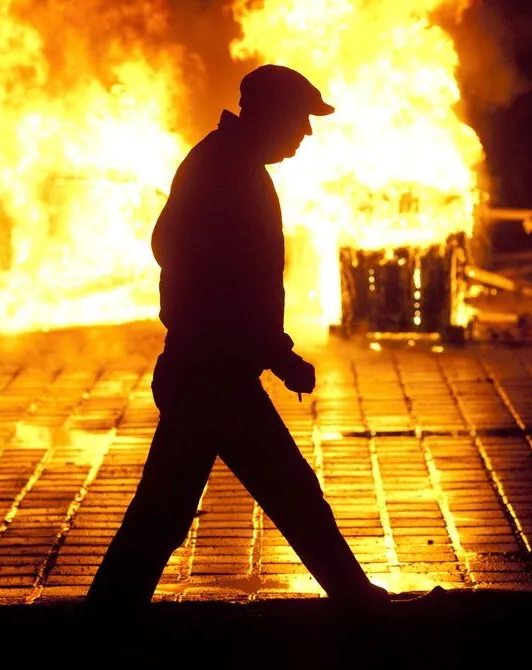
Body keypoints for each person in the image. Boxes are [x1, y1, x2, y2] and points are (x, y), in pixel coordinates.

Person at [86, 64, 389, 612]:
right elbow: (221, 280)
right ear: (271, 114)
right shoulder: (225, 171)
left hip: (207, 368)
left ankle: (107, 614)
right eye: (300, 119)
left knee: (167, 510)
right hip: (212, 373)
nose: (307, 133)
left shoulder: (231, 165)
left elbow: (203, 265)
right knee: (289, 493)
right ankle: (360, 604)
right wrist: (275, 353)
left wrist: (272, 351)